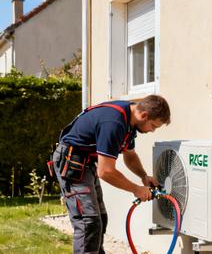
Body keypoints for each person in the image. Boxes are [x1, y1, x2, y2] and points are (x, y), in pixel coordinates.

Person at [49, 95, 170, 254]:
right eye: (153, 126)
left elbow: (130, 155)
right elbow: (105, 171)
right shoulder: (114, 123)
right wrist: (136, 189)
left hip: (86, 163)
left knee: (100, 219)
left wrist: (143, 177)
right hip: (72, 163)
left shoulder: (130, 121)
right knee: (88, 223)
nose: (152, 130)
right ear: (144, 115)